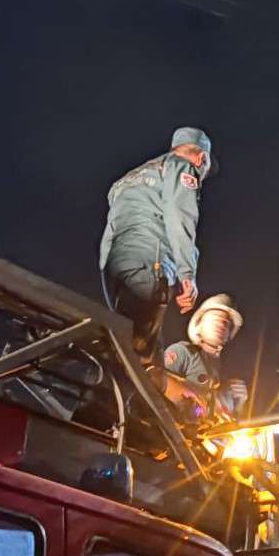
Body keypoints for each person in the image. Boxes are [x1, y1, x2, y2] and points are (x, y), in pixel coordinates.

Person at [98, 126, 215, 365]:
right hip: (150, 262)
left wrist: (106, 271)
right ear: (202, 158)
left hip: (115, 267)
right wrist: (187, 274)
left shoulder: (126, 180)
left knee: (130, 343)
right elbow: (179, 217)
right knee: (134, 357)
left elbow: (111, 230)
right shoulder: (181, 167)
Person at [163, 294, 249, 418]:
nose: (221, 324)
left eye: (226, 322)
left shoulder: (225, 379)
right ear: (199, 325)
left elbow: (231, 424)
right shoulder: (183, 352)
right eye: (215, 317)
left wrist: (240, 404)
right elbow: (155, 387)